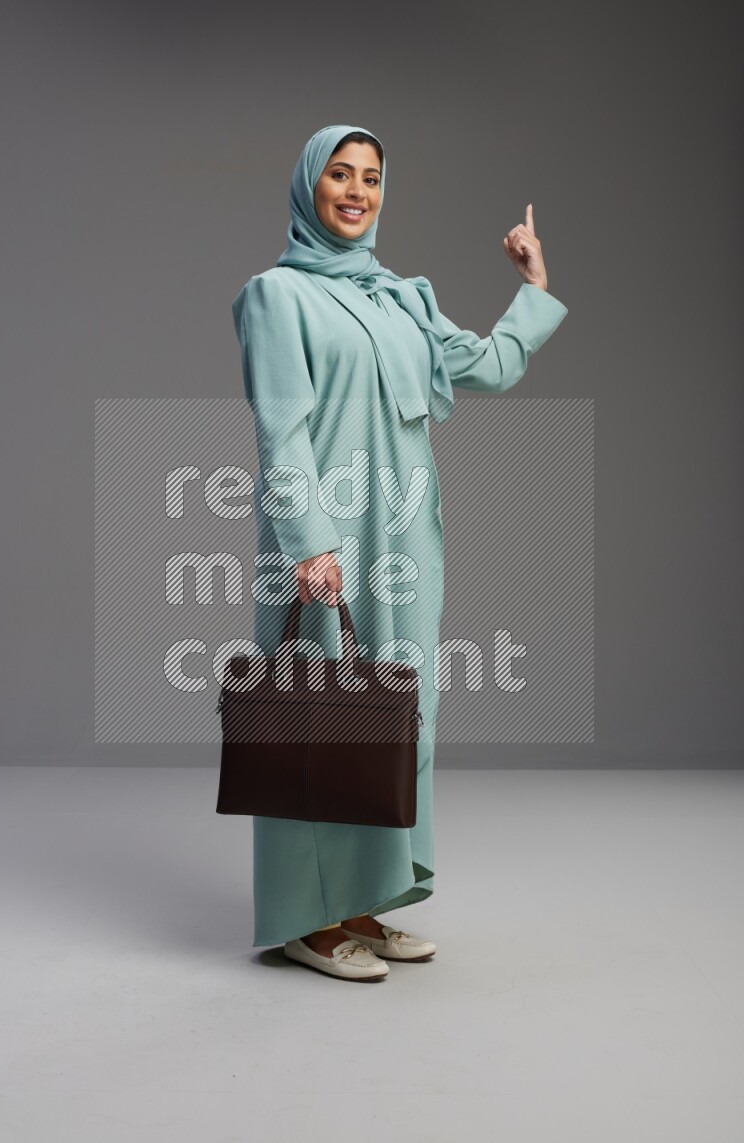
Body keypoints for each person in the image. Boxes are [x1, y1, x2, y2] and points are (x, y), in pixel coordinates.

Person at [231, 124, 568, 981]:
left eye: (372, 178)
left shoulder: (398, 297)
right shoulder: (277, 295)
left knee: (391, 721)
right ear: (310, 185)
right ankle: (307, 918)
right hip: (327, 538)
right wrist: (308, 542)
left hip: (407, 535)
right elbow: (282, 428)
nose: (356, 191)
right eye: (339, 175)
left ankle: (362, 901)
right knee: (319, 718)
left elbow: (486, 367)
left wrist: (532, 286)